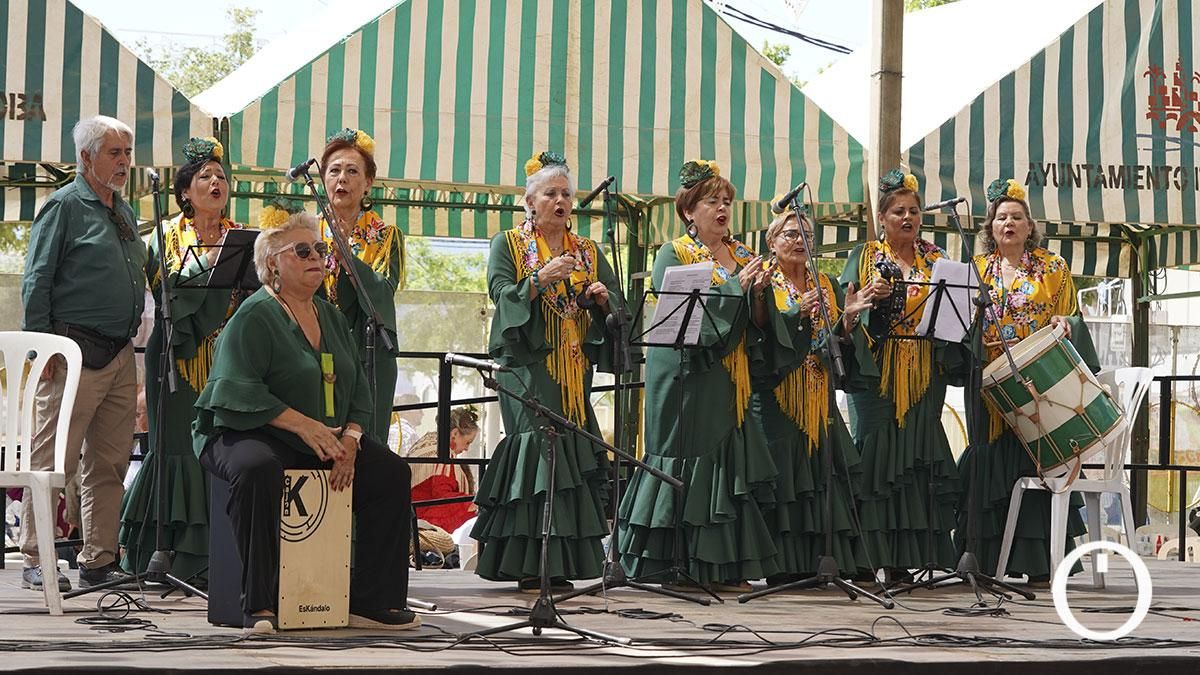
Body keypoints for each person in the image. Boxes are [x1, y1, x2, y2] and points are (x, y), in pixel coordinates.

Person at [193, 213, 419, 633]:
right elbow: (237, 392)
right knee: (257, 468)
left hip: (321, 439)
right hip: (245, 431)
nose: (316, 256)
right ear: (273, 263)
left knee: (390, 473)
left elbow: (358, 389)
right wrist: (304, 426)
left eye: (319, 249)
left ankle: (372, 602)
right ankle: (258, 603)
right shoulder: (254, 315)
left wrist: (351, 440)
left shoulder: (330, 316)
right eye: (302, 250)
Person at [617, 159, 778, 593]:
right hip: (685, 374)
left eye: (726, 201)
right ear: (689, 210)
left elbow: (760, 323)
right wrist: (737, 287)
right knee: (685, 456)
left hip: (730, 374)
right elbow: (681, 321)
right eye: (712, 201)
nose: (722, 208)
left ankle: (725, 565)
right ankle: (672, 562)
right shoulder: (673, 253)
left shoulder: (743, 255)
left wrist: (759, 295)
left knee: (726, 464)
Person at [470, 151, 623, 593]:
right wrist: (540, 279)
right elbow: (501, 293)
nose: (560, 201)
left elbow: (617, 303)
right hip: (526, 364)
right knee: (537, 449)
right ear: (530, 202)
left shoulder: (588, 250)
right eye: (550, 193)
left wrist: (603, 299)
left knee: (570, 451)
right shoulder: (508, 243)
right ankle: (529, 562)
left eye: (566, 194)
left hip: (573, 367)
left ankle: (562, 563)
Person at [20, 115, 146, 591]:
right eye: (114, 153)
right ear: (86, 157)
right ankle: (37, 557)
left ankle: (99, 559)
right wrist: (42, 347)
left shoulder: (123, 210)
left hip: (118, 353)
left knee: (110, 463)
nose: (124, 162)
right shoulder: (64, 206)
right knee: (54, 461)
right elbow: (37, 278)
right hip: (70, 351)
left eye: (127, 153)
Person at [955, 178, 1099, 586]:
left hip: (1038, 381)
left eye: (1017, 217)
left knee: (1033, 460)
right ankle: (984, 558)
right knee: (987, 455)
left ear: (1030, 225)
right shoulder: (976, 269)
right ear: (990, 226)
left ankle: (1037, 563)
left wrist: (1065, 322)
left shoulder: (1053, 268)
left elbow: (1072, 316)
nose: (1009, 223)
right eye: (1001, 217)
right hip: (989, 381)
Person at [119, 137, 246, 580]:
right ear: (185, 191)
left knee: (219, 448)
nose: (215, 182)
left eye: (221, 176)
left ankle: (215, 560)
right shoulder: (165, 235)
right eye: (205, 177)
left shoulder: (241, 236)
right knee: (173, 450)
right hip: (174, 357)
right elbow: (165, 291)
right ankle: (162, 552)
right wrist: (208, 262)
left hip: (227, 358)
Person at [838, 169, 963, 584]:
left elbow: (954, 314)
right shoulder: (864, 255)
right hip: (875, 372)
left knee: (916, 458)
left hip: (925, 369)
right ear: (882, 217)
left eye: (913, 211)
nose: (907, 218)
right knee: (874, 455)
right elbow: (845, 310)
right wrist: (864, 301)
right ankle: (863, 558)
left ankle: (904, 561)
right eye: (898, 212)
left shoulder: (936, 258)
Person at [752, 209, 875, 585]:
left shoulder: (826, 282)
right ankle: (779, 567)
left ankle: (818, 563)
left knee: (824, 476)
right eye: (790, 234)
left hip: (819, 395)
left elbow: (834, 339)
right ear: (771, 241)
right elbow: (759, 335)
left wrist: (848, 320)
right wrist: (796, 313)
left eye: (806, 235)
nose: (799, 242)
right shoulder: (764, 281)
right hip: (777, 396)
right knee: (782, 478)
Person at [319, 128, 405, 442]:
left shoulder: (387, 236)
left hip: (367, 355)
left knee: (366, 449)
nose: (342, 178)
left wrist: (348, 258)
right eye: (334, 171)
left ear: (368, 182)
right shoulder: (306, 233)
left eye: (352, 171)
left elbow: (382, 291)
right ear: (323, 179)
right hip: (315, 352)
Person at [409, 406, 480, 533]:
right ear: (455, 434)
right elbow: (442, 495)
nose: (466, 449)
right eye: (468, 442)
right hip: (424, 518)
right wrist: (472, 503)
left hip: (410, 512)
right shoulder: (445, 456)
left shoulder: (423, 444)